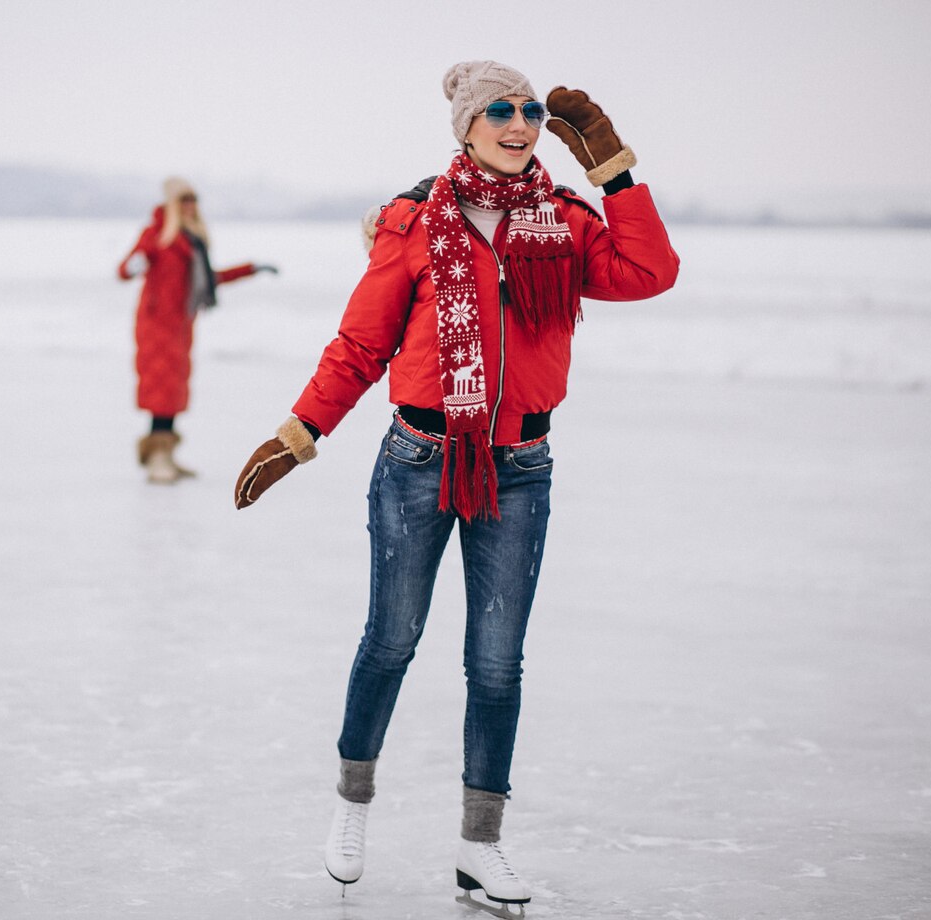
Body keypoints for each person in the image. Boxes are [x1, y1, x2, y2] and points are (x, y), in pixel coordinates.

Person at [233, 62, 679, 910]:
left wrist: (613, 167)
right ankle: (351, 809)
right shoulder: (413, 222)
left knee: (497, 664)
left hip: (519, 469)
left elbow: (653, 271)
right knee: (391, 640)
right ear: (467, 126)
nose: (520, 124)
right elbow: (362, 346)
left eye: (531, 111)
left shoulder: (566, 222)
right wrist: (300, 433)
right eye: (501, 111)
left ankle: (480, 847)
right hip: (418, 460)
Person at [118, 177, 277, 483]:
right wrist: (134, 265)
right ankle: (157, 457)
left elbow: (208, 279)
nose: (190, 207)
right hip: (155, 326)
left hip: (180, 326)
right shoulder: (156, 235)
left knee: (173, 391)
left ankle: (167, 454)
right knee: (160, 391)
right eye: (184, 201)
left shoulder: (191, 241)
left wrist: (250, 268)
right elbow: (125, 269)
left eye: (194, 200)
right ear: (172, 204)